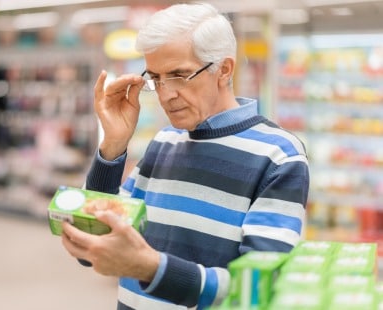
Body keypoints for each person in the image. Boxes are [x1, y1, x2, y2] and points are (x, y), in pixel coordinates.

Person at [60, 2, 309, 309]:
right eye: (156, 78)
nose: (166, 94)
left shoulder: (278, 156)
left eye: (179, 75)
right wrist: (112, 145)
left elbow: (258, 290)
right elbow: (97, 241)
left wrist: (151, 269)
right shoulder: (165, 141)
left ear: (224, 69)